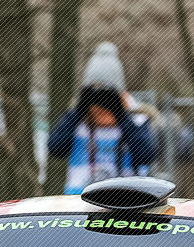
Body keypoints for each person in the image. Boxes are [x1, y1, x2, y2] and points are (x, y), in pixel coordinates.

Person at [48, 41, 157, 194]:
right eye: (96, 96)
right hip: (79, 200)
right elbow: (56, 149)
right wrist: (79, 109)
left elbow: (145, 156)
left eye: (108, 96)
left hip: (125, 201)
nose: (103, 103)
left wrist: (120, 115)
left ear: (121, 95)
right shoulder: (78, 121)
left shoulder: (137, 120)